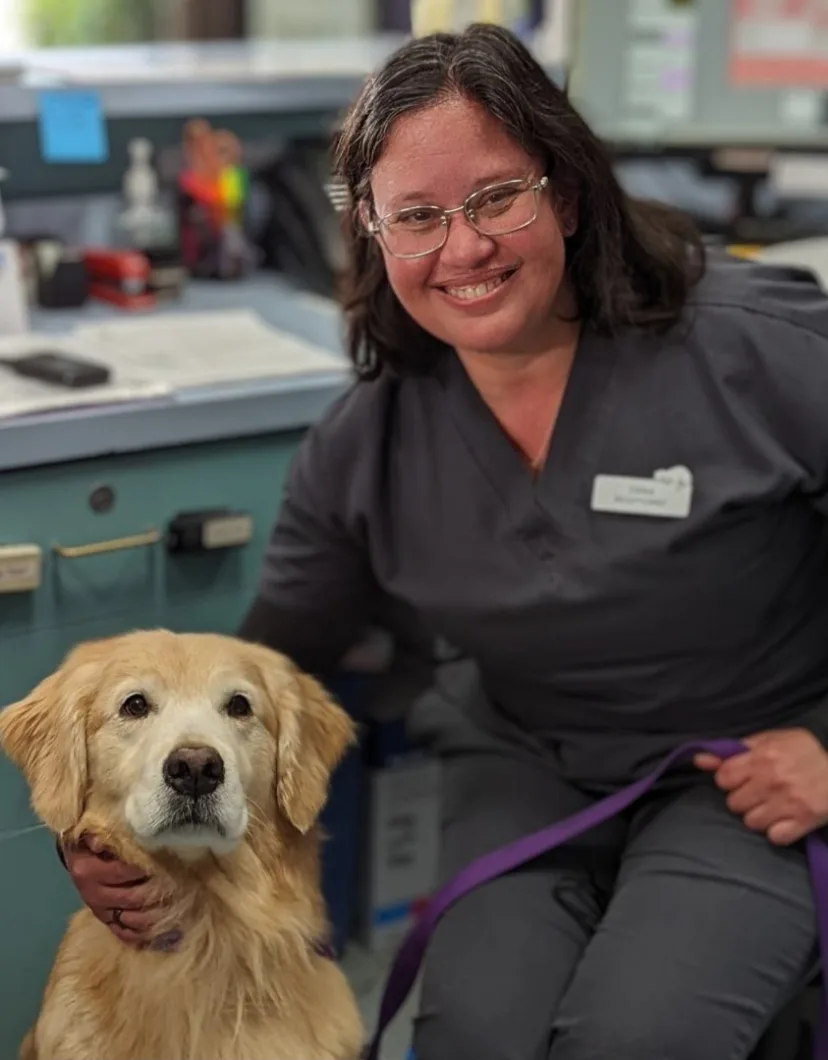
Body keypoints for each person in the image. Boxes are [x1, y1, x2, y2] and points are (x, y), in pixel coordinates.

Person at [60, 24, 828, 1060]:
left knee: (639, 1035)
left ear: (564, 187)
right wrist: (118, 812)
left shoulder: (755, 348)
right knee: (472, 1035)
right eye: (416, 215)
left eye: (497, 197)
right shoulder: (368, 439)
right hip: (527, 763)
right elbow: (271, 670)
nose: (463, 249)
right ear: (371, 231)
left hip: (755, 764)